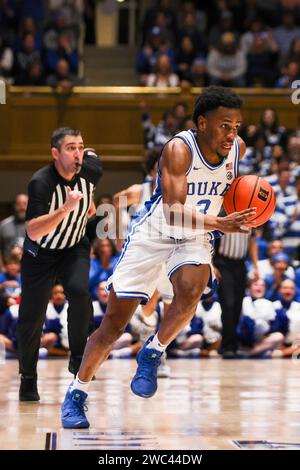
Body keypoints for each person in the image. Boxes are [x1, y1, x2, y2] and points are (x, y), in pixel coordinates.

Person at [61, 85, 256, 429]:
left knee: (193, 288)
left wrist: (244, 213)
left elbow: (227, 194)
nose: (232, 133)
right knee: (113, 326)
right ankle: (76, 395)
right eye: (225, 125)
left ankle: (153, 351)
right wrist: (221, 222)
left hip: (195, 234)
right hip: (154, 234)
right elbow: (174, 210)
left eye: (236, 126)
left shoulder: (237, 150)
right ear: (202, 123)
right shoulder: (179, 149)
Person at [17, 127, 102, 402]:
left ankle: (77, 357)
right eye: (70, 148)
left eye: (80, 147)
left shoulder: (91, 169)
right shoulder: (41, 182)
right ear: (55, 153)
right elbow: (32, 230)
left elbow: (92, 173)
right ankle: (28, 377)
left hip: (73, 247)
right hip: (40, 253)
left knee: (79, 292)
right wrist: (65, 209)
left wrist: (88, 205)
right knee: (32, 316)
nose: (77, 153)